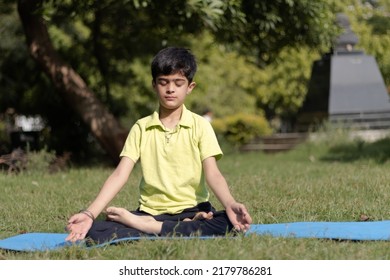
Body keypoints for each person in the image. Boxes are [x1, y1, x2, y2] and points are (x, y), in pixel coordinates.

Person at [66, 47, 252, 243]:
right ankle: (161, 225)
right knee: (96, 229)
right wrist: (89, 214)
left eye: (178, 83)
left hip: (194, 209)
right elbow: (120, 174)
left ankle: (149, 228)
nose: (170, 89)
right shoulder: (141, 127)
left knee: (229, 223)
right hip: (150, 212)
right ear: (154, 85)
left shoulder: (201, 126)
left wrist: (230, 204)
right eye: (163, 82)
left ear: (190, 87)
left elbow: (213, 173)